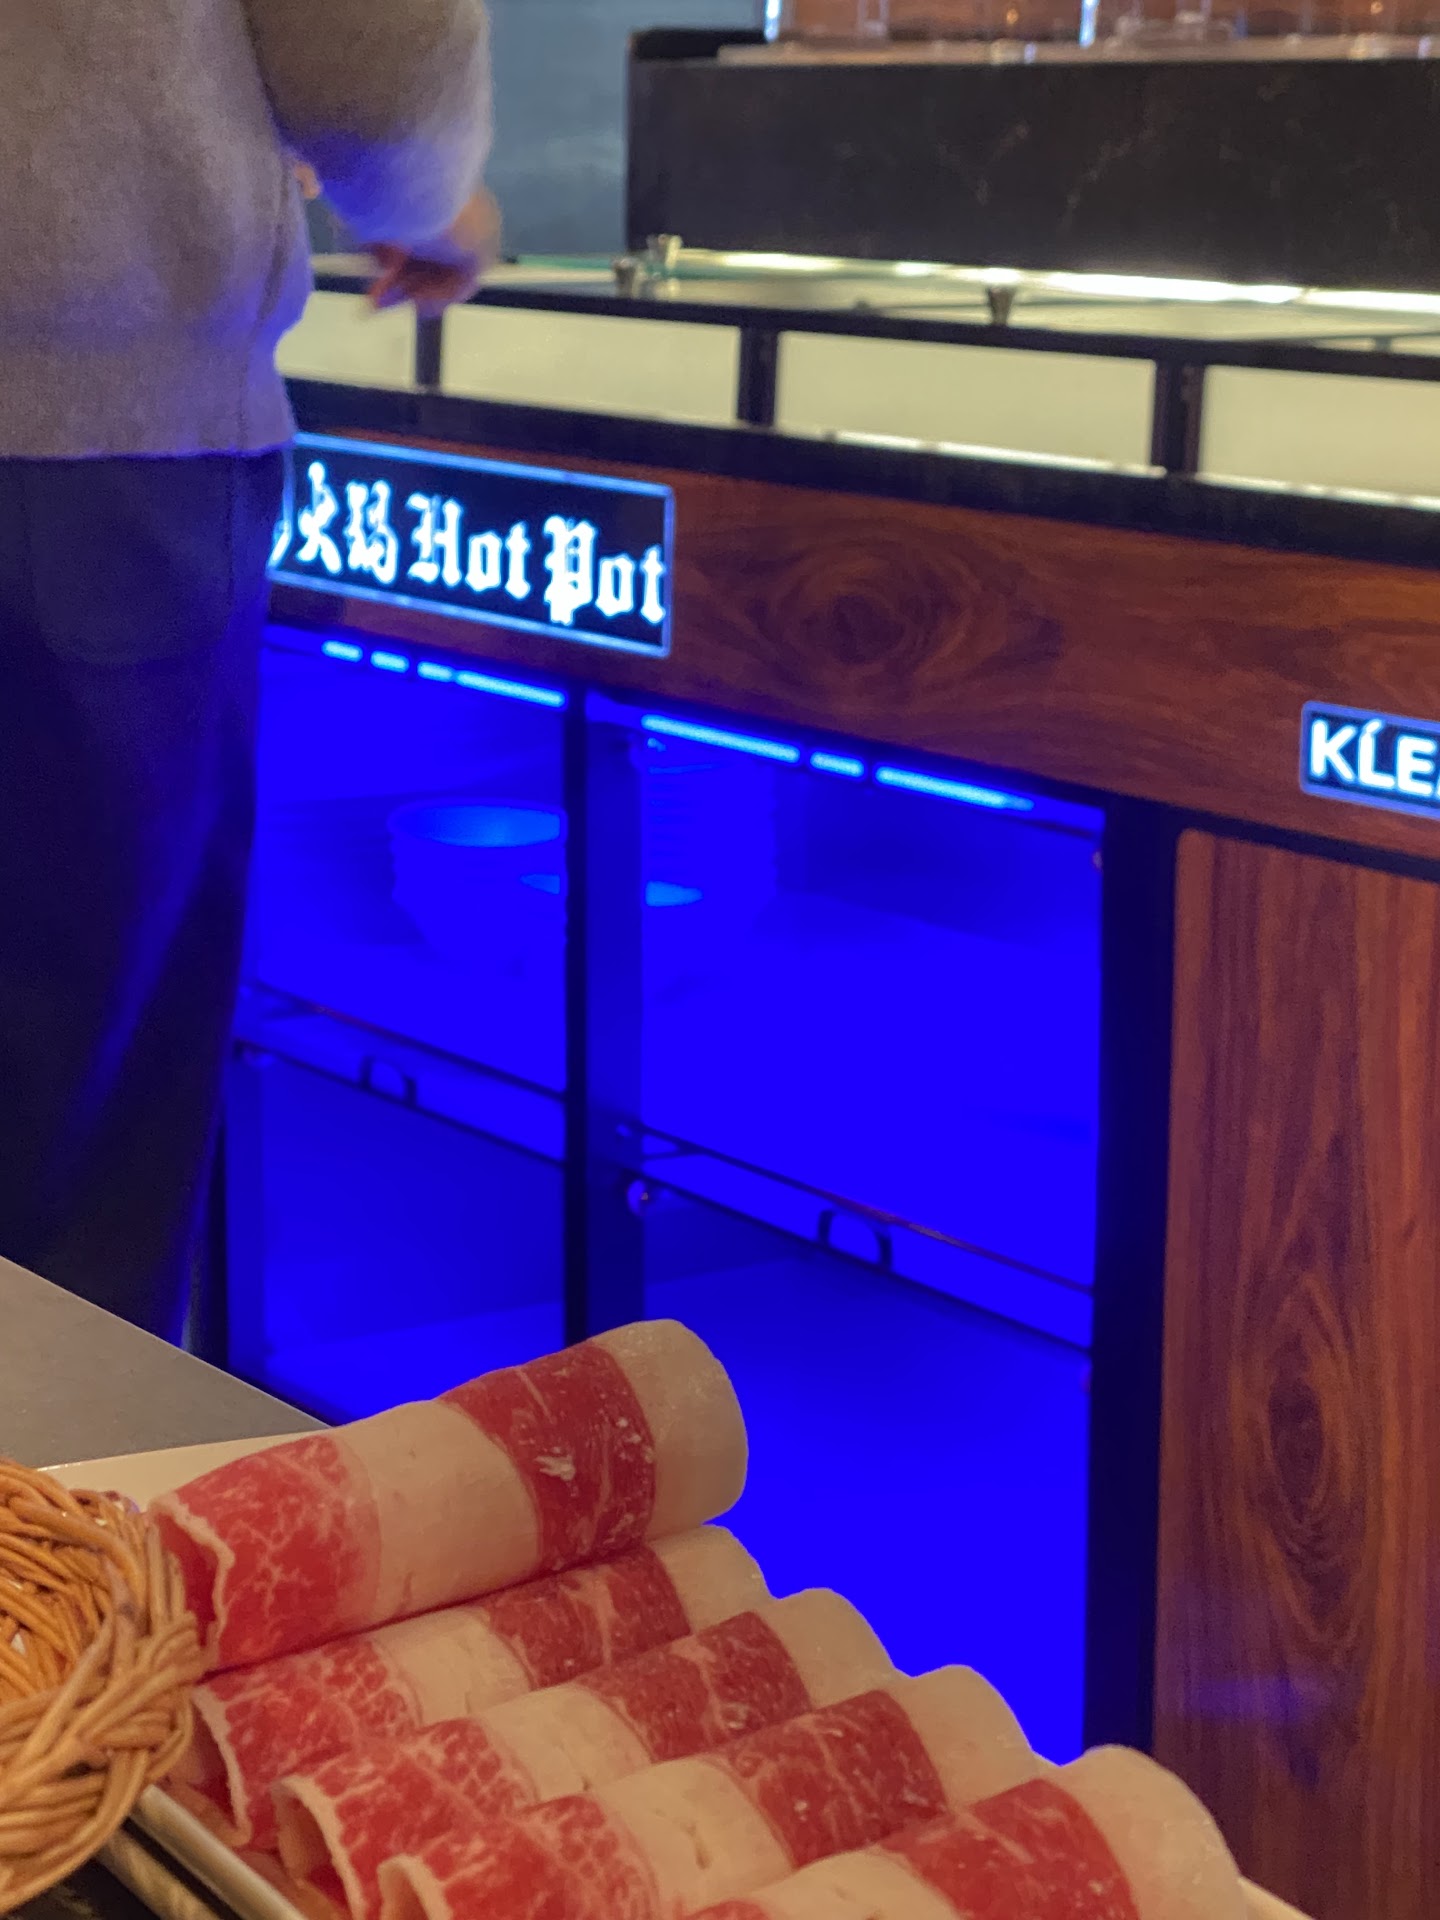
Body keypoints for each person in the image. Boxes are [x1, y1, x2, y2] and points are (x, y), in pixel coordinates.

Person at [0, 1, 498, 1339]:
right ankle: (68, 1484)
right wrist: (438, 206)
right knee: (83, 1145)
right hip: (94, 439)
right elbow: (378, 72)